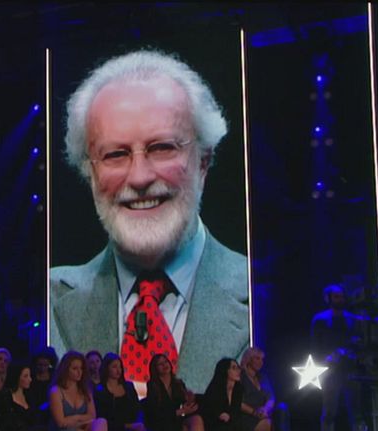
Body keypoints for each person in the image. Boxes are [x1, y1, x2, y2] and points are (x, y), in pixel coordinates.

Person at [49, 49, 249, 394]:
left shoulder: (260, 293)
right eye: (115, 154)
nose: (139, 177)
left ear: (203, 161)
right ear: (90, 174)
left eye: (162, 148)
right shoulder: (50, 300)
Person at [311, 284, 364, 431]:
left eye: (341, 296)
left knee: (356, 410)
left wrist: (350, 351)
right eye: (336, 297)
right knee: (329, 411)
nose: (340, 299)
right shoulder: (320, 319)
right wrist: (326, 359)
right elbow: (315, 346)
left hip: (351, 368)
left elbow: (359, 340)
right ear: (328, 298)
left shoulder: (352, 319)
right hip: (330, 370)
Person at [49, 351, 108, 431]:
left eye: (81, 368)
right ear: (65, 369)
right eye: (75, 368)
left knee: (101, 422)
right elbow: (61, 422)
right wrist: (81, 419)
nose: (79, 372)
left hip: (82, 426)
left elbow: (92, 416)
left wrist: (74, 419)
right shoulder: (56, 391)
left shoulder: (85, 389)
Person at [144, 353, 202, 431]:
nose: (164, 365)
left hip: (178, 419)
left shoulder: (178, 383)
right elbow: (156, 413)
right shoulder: (152, 386)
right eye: (160, 364)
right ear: (155, 368)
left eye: (166, 361)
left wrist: (189, 399)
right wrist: (180, 412)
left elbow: (183, 403)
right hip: (162, 422)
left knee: (196, 419)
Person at [94, 353, 144, 431]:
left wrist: (138, 424)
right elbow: (102, 417)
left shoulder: (129, 386)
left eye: (120, 367)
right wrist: (127, 426)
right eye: (114, 367)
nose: (118, 370)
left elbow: (138, 409)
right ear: (106, 368)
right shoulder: (100, 390)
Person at [0, 363, 43, 431]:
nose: (30, 379)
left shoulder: (30, 396)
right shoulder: (6, 397)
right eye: (25, 376)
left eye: (29, 375)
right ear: (17, 377)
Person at [239, 347, 275, 431]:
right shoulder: (240, 376)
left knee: (281, 409)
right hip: (247, 414)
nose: (261, 362)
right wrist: (254, 412)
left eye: (262, 359)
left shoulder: (262, 377)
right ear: (249, 359)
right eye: (257, 358)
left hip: (263, 413)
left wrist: (265, 409)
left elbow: (271, 397)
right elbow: (237, 402)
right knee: (267, 423)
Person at [202, 358, 242, 431]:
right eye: (234, 368)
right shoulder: (215, 389)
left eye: (238, 368)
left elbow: (236, 411)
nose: (238, 371)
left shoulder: (238, 390)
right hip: (215, 424)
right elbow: (210, 411)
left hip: (231, 424)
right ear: (225, 371)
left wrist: (230, 417)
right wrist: (220, 415)